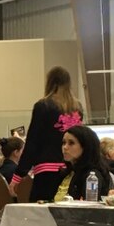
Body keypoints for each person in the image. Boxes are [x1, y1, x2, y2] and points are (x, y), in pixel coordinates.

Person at [13, 66, 84, 200]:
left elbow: (32, 143)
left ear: (50, 82)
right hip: (71, 171)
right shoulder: (77, 108)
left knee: (41, 214)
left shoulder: (43, 106)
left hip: (46, 170)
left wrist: (18, 175)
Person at [48, 126, 113, 202]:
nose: (65, 147)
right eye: (64, 143)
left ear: (86, 147)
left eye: (71, 143)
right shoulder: (67, 173)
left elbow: (89, 207)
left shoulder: (92, 176)